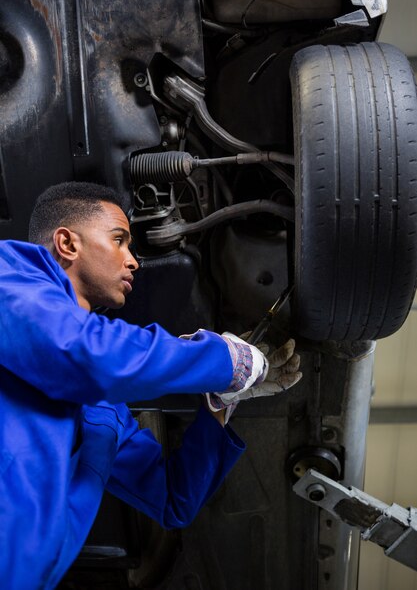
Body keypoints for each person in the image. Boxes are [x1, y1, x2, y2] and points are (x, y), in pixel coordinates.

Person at [0, 182, 301, 589]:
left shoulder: (101, 409)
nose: (134, 261)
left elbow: (172, 500)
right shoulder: (9, 278)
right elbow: (85, 352)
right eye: (119, 240)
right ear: (67, 243)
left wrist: (219, 401)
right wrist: (223, 360)